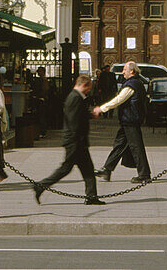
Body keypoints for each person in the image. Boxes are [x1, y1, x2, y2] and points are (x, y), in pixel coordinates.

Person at [32, 73, 104, 205]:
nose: (89, 90)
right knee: (66, 168)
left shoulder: (76, 97)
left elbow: (78, 116)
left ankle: (92, 196)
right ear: (83, 85)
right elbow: (73, 121)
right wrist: (78, 140)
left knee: (87, 169)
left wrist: (90, 115)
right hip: (75, 142)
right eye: (88, 87)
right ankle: (41, 185)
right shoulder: (75, 98)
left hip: (77, 141)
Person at [94, 60, 151, 183]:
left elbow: (119, 100)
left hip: (130, 120)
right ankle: (107, 169)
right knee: (119, 146)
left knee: (136, 147)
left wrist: (102, 108)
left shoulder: (132, 84)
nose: (123, 71)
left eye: (125, 69)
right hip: (128, 120)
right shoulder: (133, 82)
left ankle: (144, 174)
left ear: (132, 71)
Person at [30, 66, 50, 138]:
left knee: (41, 116)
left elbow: (44, 90)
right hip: (41, 99)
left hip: (41, 100)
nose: (38, 72)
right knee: (40, 116)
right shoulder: (42, 80)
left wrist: (38, 96)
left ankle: (42, 131)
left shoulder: (43, 80)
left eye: (39, 71)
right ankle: (41, 131)